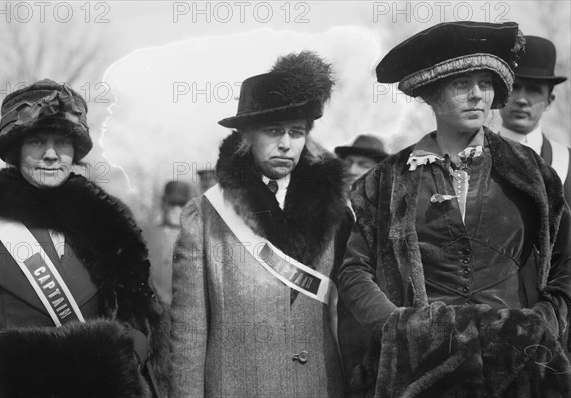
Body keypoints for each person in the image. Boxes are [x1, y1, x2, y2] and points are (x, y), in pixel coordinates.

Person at [338, 22, 571, 397]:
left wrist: (543, 321)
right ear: (432, 93)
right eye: (462, 85)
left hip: (520, 370)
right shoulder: (384, 181)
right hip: (420, 375)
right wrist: (398, 329)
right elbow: (354, 270)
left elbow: (566, 260)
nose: (477, 95)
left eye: (485, 82)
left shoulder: (531, 172)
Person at [0, 79, 171, 398]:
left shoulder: (110, 223)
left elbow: (142, 312)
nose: (51, 154)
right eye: (37, 142)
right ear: (15, 149)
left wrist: (132, 350)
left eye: (62, 142)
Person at [169, 51, 353, 397]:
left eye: (296, 132)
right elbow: (189, 332)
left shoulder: (338, 211)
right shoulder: (206, 215)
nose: (286, 143)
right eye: (273, 131)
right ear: (246, 136)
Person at [500, 35, 570, 204]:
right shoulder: (474, 156)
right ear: (500, 93)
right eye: (514, 87)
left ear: (549, 101)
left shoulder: (566, 162)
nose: (522, 100)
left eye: (534, 90)